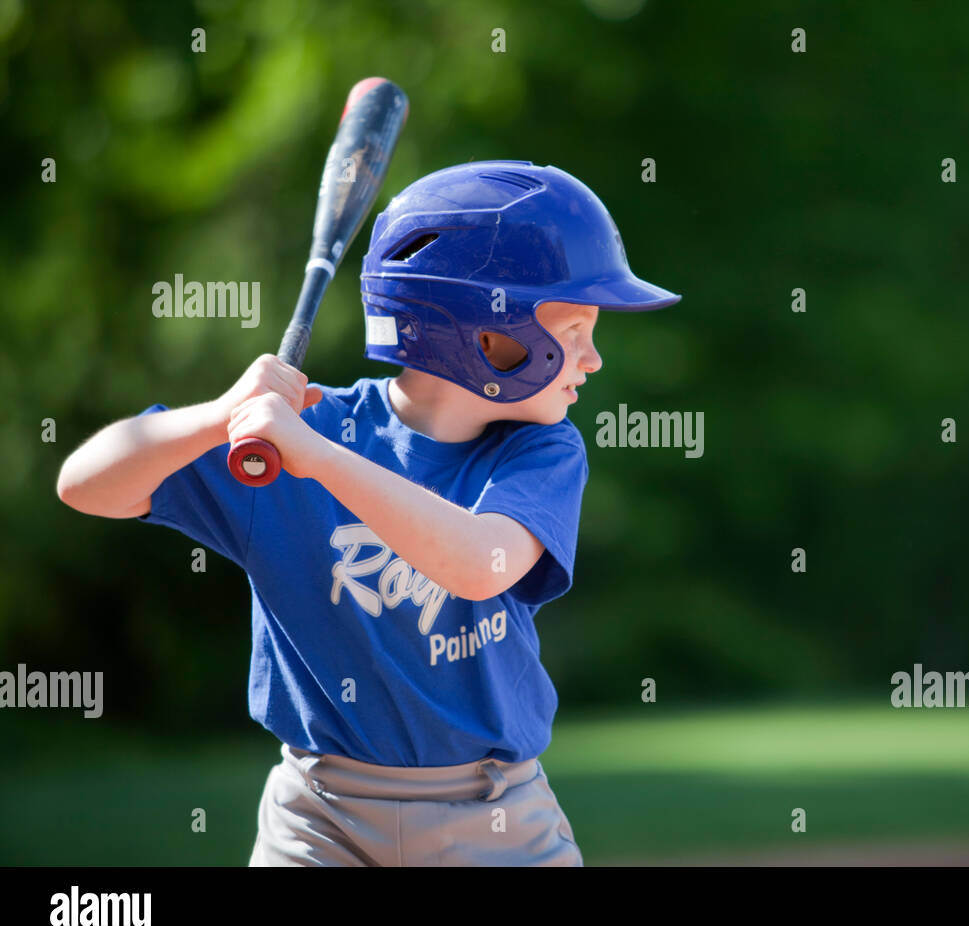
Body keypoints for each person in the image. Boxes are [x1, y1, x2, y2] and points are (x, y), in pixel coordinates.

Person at [55, 160, 681, 866]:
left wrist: (316, 457)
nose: (592, 359)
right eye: (574, 330)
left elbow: (480, 564)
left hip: (494, 814)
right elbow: (85, 485)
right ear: (486, 332)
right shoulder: (298, 436)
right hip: (319, 818)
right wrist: (217, 416)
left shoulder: (540, 452)